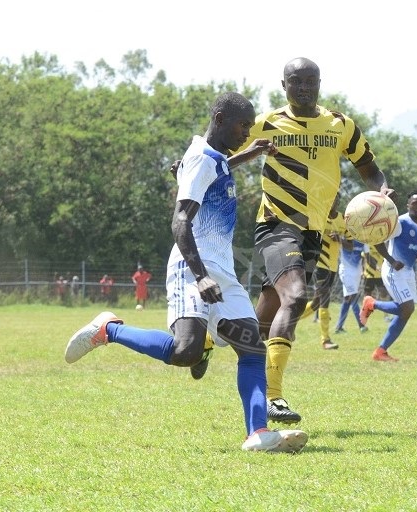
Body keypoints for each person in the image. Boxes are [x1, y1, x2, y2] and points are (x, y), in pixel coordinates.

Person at [64, 92, 307, 453]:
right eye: (243, 125)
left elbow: (214, 170)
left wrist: (250, 154)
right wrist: (200, 275)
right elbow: (180, 223)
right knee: (185, 352)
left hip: (221, 270)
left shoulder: (213, 158)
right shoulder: (200, 159)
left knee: (252, 349)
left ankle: (258, 433)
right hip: (192, 268)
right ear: (220, 118)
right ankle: (109, 330)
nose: (246, 131)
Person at [242, 57, 398, 424]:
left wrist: (382, 191)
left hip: (314, 230)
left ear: (320, 83)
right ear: (284, 86)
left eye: (310, 81)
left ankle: (207, 341)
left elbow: (369, 168)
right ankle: (274, 397)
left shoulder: (341, 125)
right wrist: (191, 164)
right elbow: (222, 147)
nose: (304, 88)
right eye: (296, 82)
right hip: (278, 223)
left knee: (263, 318)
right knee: (296, 297)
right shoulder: (267, 123)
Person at [360, 191, 417, 362]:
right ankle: (371, 303)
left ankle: (381, 351)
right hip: (393, 271)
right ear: (408, 205)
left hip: (408, 273)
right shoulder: (399, 222)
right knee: (407, 308)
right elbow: (377, 241)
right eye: (415, 203)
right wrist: (391, 260)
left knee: (406, 312)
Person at [299, 208, 345, 350]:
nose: (332, 201)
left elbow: (350, 244)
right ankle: (326, 340)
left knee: (316, 303)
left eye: (336, 198)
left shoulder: (343, 219)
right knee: (325, 299)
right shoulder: (319, 217)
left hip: (333, 266)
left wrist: (340, 239)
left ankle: (287, 319)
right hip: (319, 263)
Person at [333, 237, 369, 335]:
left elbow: (367, 256)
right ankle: (361, 325)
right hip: (346, 273)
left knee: (347, 300)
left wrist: (366, 270)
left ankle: (339, 327)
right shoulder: (344, 236)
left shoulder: (363, 239)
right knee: (353, 298)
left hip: (357, 274)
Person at [362, 244, 392, 321]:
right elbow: (365, 258)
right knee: (367, 295)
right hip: (369, 274)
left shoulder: (382, 245)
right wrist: (362, 270)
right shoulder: (367, 244)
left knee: (384, 293)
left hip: (380, 274)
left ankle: (386, 315)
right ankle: (365, 315)